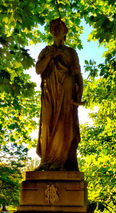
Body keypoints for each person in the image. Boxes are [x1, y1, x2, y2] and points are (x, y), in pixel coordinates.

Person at [35, 18, 83, 171]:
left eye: (58, 27)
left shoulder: (71, 52)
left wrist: (79, 96)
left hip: (66, 94)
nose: (55, 30)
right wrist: (50, 56)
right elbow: (38, 69)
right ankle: (46, 161)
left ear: (64, 32)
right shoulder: (45, 51)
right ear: (50, 32)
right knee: (46, 125)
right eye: (53, 27)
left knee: (64, 126)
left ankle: (62, 163)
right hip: (49, 93)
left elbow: (77, 75)